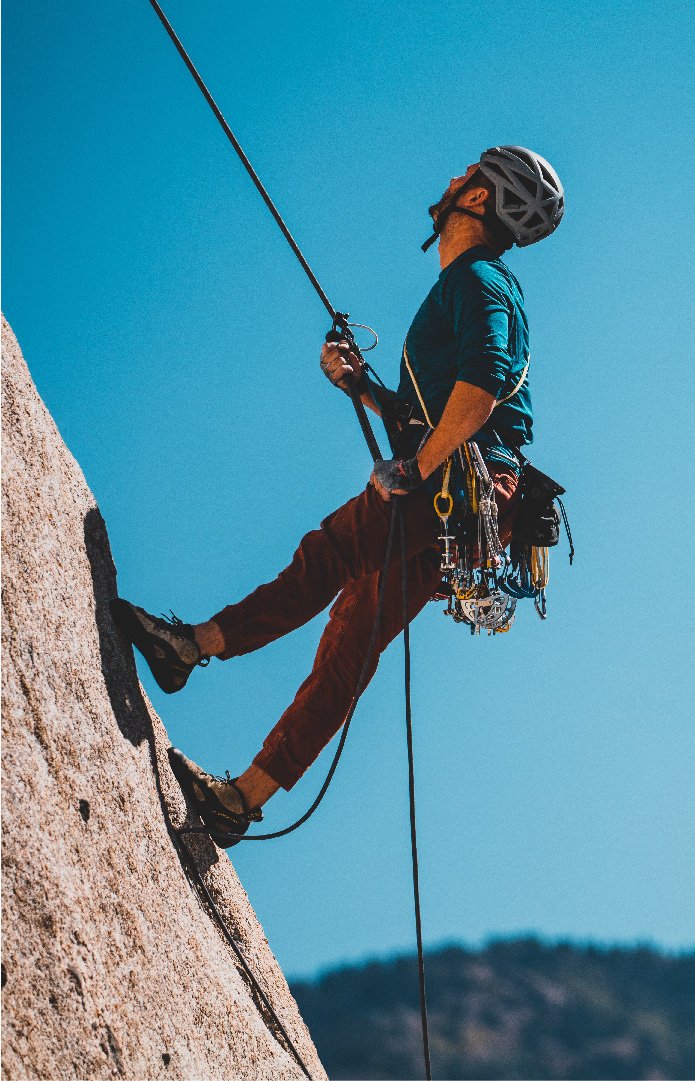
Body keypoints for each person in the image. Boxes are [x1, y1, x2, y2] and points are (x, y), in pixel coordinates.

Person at [112, 146, 565, 847]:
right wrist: (362, 387)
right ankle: (241, 798)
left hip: (455, 484)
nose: (452, 178)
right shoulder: (474, 283)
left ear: (477, 198)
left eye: (465, 175)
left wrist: (416, 469)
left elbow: (482, 387)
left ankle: (187, 647)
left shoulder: (477, 279)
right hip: (476, 504)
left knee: (327, 555)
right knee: (351, 639)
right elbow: (444, 406)